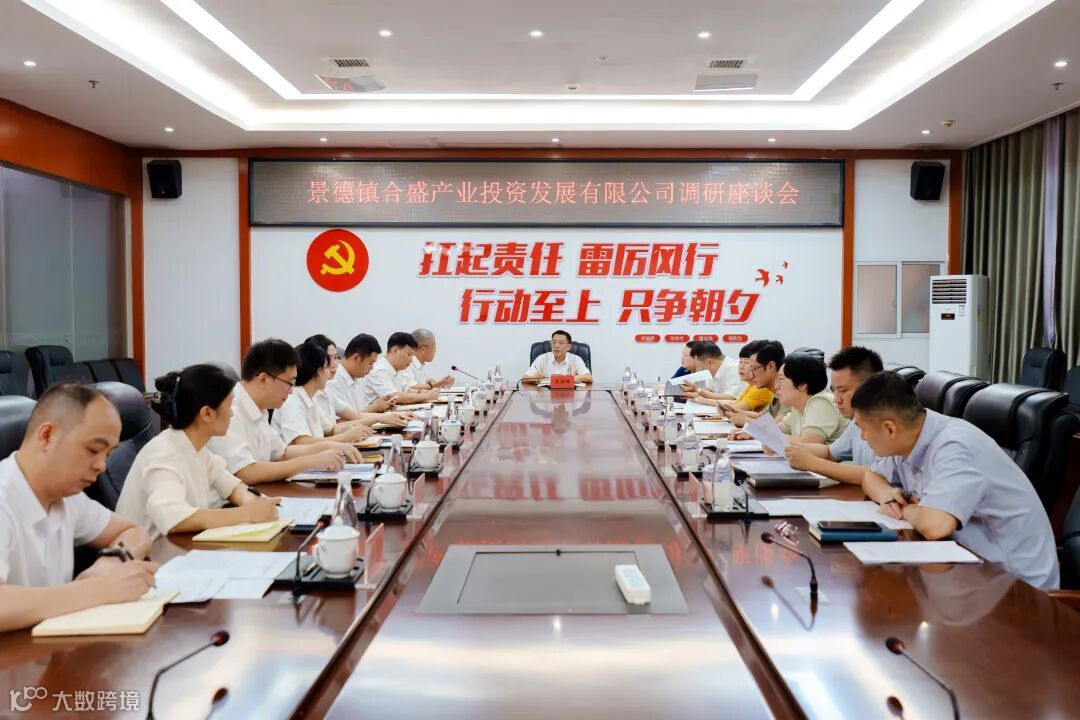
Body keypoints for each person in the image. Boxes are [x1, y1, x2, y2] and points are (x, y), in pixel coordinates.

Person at [853, 371, 1059, 589]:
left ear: (889, 428)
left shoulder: (956, 446)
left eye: (863, 429)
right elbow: (871, 477)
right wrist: (888, 496)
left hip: (1017, 587)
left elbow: (935, 526)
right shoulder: (910, 434)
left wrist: (906, 510)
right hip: (968, 569)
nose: (862, 437)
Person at [0, 383, 158, 632]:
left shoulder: (67, 497)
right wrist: (100, 590)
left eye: (108, 454)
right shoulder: (4, 496)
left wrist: (110, 563)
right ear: (47, 435)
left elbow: (133, 532)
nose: (102, 466)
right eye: (93, 450)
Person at [117, 364, 281, 541]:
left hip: (179, 547)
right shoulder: (163, 454)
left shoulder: (196, 448)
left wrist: (255, 502)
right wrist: (247, 513)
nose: (232, 414)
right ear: (207, 413)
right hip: (150, 552)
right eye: (229, 405)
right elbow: (176, 519)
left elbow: (233, 487)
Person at [208, 339, 361, 485]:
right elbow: (245, 472)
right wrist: (310, 461)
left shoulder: (259, 408)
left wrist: (329, 447)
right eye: (289, 383)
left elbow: (282, 453)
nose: (291, 391)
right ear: (263, 379)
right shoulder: (230, 410)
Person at [785, 346, 883, 484]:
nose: (836, 399)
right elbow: (830, 453)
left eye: (843, 390)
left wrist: (812, 463)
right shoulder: (857, 421)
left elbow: (877, 475)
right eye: (835, 390)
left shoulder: (888, 424)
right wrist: (788, 448)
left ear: (870, 387)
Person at [274, 342, 399, 447]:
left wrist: (352, 428)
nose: (332, 370)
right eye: (327, 367)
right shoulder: (293, 400)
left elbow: (331, 429)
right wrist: (345, 437)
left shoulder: (310, 397)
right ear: (319, 371)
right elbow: (302, 442)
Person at [323, 333, 401, 422]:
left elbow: (357, 414)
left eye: (336, 357)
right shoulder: (332, 381)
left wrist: (378, 407)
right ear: (356, 358)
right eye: (370, 363)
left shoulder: (360, 377)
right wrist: (374, 408)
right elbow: (338, 423)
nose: (372, 368)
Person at [774, 353, 847, 444]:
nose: (776, 386)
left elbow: (808, 443)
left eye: (780, 379)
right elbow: (774, 431)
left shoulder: (821, 402)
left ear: (802, 384)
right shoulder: (798, 405)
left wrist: (777, 438)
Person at [361, 332, 442, 407]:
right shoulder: (379, 370)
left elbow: (407, 390)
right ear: (395, 350)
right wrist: (426, 396)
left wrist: (424, 392)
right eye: (409, 354)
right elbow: (394, 397)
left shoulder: (397, 369)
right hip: (378, 416)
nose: (411, 360)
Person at [728, 339, 785, 427]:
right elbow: (762, 416)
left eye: (754, 369)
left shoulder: (787, 393)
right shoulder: (775, 392)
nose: (751, 375)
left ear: (771, 366)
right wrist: (735, 412)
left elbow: (776, 428)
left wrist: (745, 421)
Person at [718, 340, 775, 414]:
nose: (741, 366)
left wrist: (724, 407)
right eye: (740, 362)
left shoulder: (762, 388)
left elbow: (734, 409)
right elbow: (738, 403)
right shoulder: (752, 385)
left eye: (747, 362)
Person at [522, 330, 593, 384]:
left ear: (568, 347)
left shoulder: (575, 359)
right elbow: (524, 378)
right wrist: (535, 378)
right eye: (554, 342)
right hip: (546, 395)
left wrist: (571, 378)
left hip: (569, 396)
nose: (556, 346)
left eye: (561, 343)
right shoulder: (542, 358)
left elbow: (589, 377)